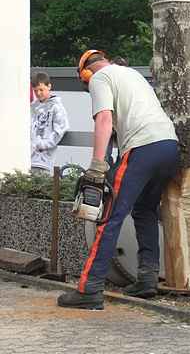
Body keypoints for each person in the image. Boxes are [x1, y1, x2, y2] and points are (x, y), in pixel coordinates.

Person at [57, 50, 179, 310]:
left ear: (86, 73)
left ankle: (89, 289)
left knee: (109, 217)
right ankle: (147, 279)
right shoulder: (131, 74)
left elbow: (104, 119)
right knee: (145, 210)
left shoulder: (100, 78)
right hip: (169, 146)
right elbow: (118, 127)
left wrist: (97, 166)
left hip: (142, 148)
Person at [30, 72, 70, 176]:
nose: (38, 93)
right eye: (35, 91)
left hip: (44, 159)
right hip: (28, 157)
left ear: (49, 86)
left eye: (41, 90)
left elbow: (60, 129)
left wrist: (42, 145)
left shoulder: (56, 107)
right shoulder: (32, 107)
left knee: (41, 187)